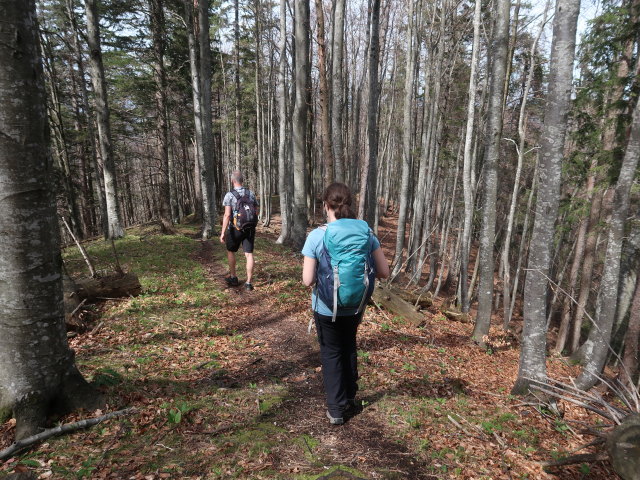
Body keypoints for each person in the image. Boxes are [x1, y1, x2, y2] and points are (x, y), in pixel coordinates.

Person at [301, 183, 390, 425]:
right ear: (349, 204)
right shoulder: (366, 233)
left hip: (326, 307)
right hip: (355, 305)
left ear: (325, 206)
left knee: (332, 352)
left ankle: (336, 409)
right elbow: (383, 271)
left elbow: (307, 280)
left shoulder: (317, 236)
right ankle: (350, 397)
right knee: (349, 344)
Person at [220, 171, 259, 291]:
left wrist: (222, 233)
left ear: (233, 180)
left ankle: (233, 277)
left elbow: (227, 215)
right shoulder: (250, 193)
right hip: (250, 228)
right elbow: (256, 211)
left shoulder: (229, 195)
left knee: (231, 251)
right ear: (242, 180)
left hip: (235, 228)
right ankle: (248, 283)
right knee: (249, 254)